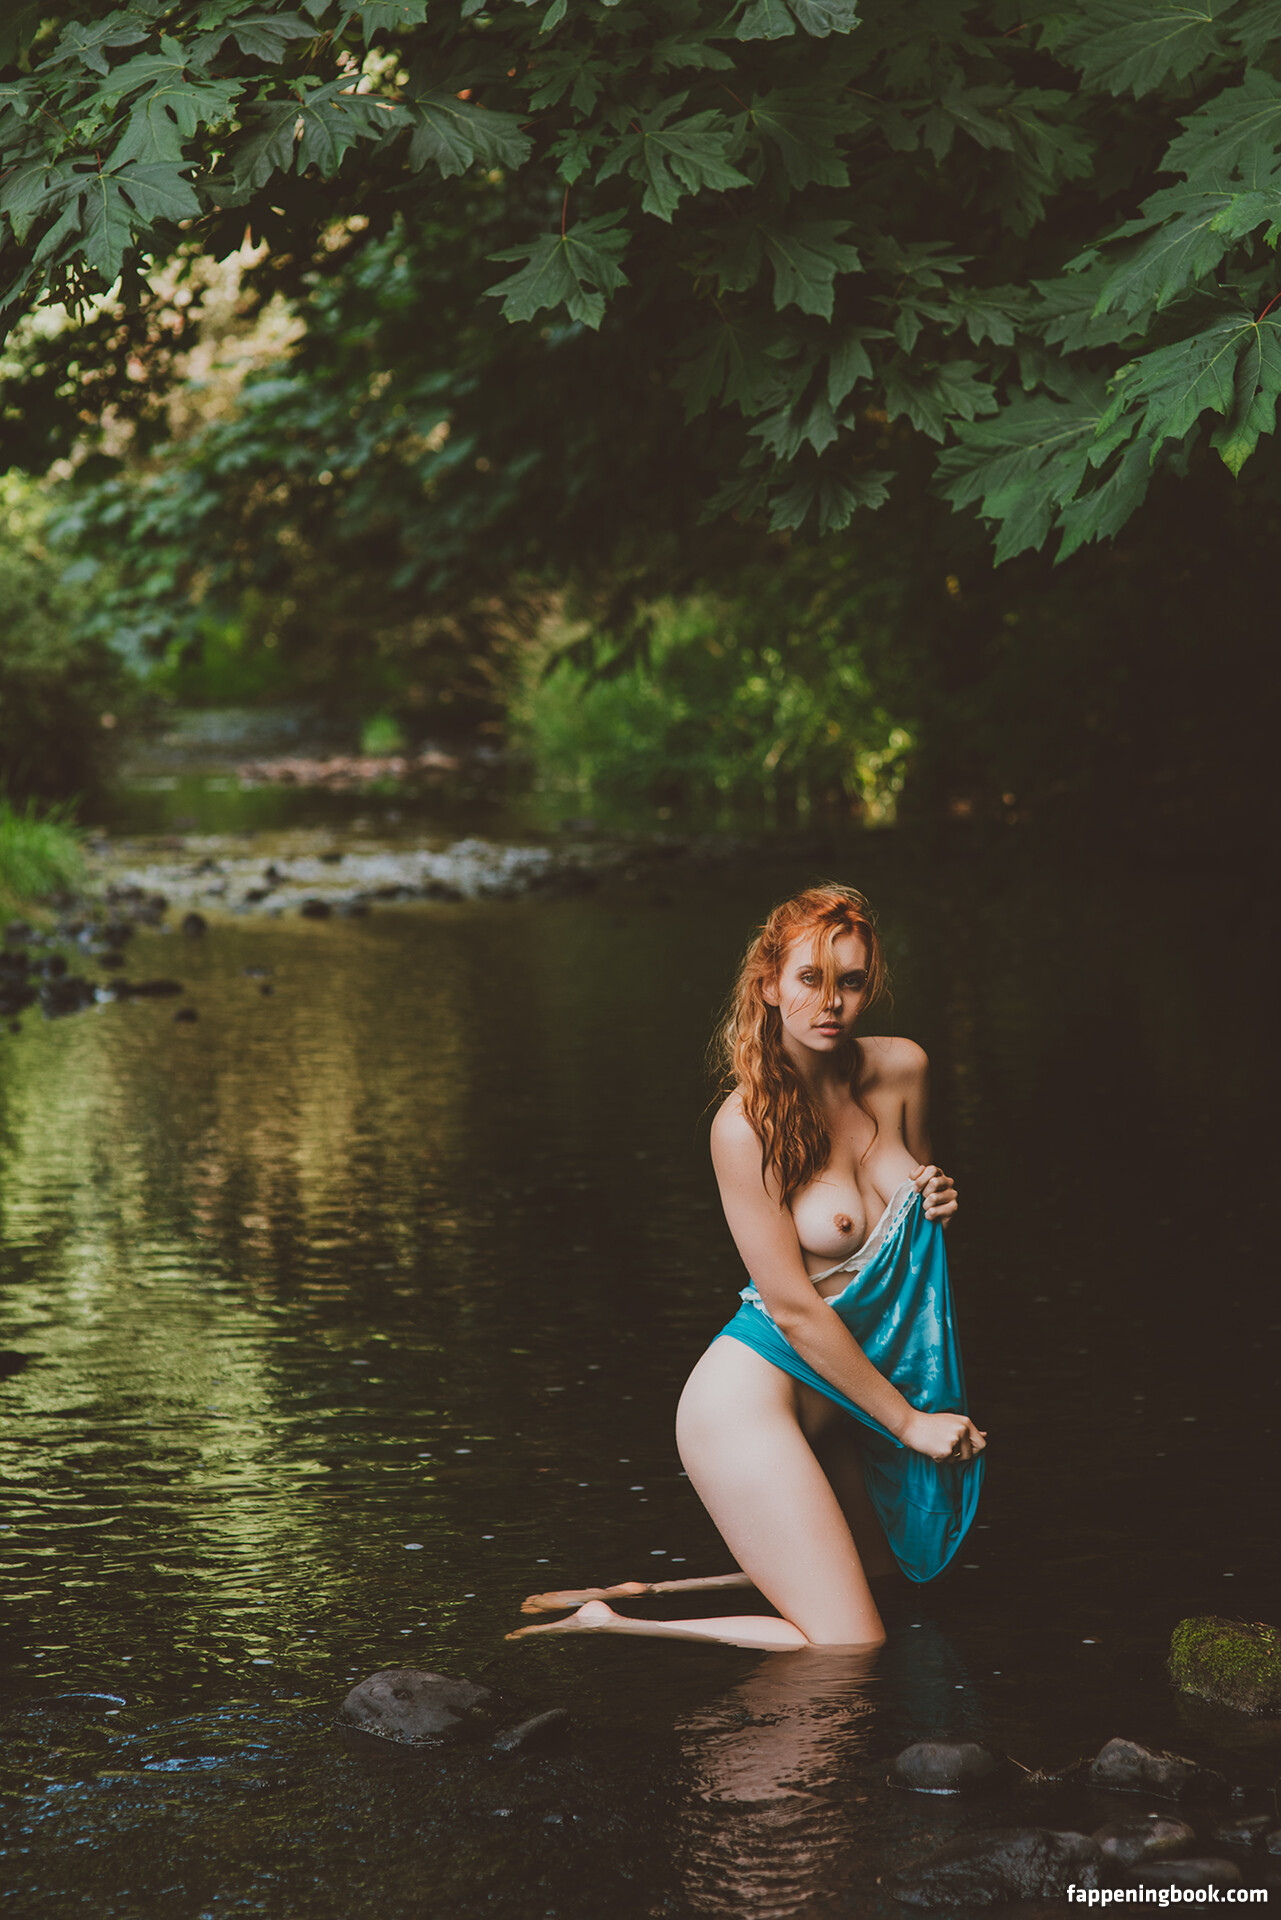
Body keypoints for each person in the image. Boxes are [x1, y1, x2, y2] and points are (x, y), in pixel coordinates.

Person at [509, 884, 986, 1652]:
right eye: (809, 980)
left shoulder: (902, 1067)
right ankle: (611, 1621)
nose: (830, 1004)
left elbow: (908, 1229)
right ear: (768, 984)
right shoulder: (745, 1127)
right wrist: (907, 1424)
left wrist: (939, 1200)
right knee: (847, 1645)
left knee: (888, 1579)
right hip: (749, 1402)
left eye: (851, 982)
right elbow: (792, 1307)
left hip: (843, 1392)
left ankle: (651, 1589)